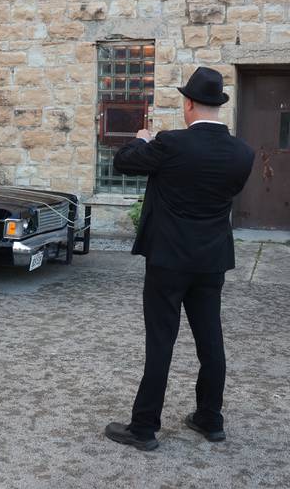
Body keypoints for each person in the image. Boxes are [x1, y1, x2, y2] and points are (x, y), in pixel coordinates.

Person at [104, 67, 255, 451]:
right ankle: (210, 418)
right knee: (211, 341)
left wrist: (140, 138)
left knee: (161, 343)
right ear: (219, 104)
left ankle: (144, 428)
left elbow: (123, 161)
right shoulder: (243, 153)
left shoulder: (171, 144)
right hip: (211, 260)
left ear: (188, 103)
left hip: (168, 260)